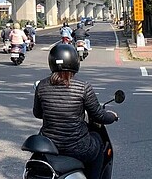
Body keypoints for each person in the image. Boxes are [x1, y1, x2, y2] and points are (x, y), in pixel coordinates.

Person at [33, 44, 118, 179]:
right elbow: (98, 115)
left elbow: (37, 113)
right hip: (77, 146)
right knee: (99, 142)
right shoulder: (83, 87)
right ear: (74, 62)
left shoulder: (41, 86)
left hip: (49, 145)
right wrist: (112, 116)